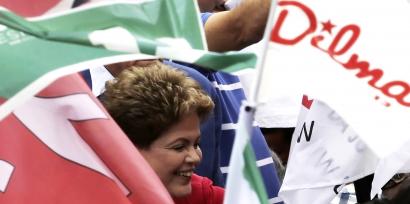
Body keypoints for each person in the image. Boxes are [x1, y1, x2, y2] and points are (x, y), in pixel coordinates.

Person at [101, 61, 224, 204]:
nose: (195, 157)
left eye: (196, 144)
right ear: (130, 149)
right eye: (179, 147)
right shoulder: (89, 195)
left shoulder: (201, 197)